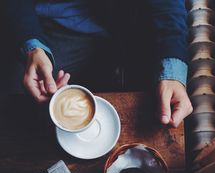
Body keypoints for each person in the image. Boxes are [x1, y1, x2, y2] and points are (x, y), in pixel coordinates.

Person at [2, 0, 192, 128]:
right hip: (39, 20)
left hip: (122, 25)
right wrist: (32, 45)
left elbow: (168, 5)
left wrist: (172, 73)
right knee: (16, 112)